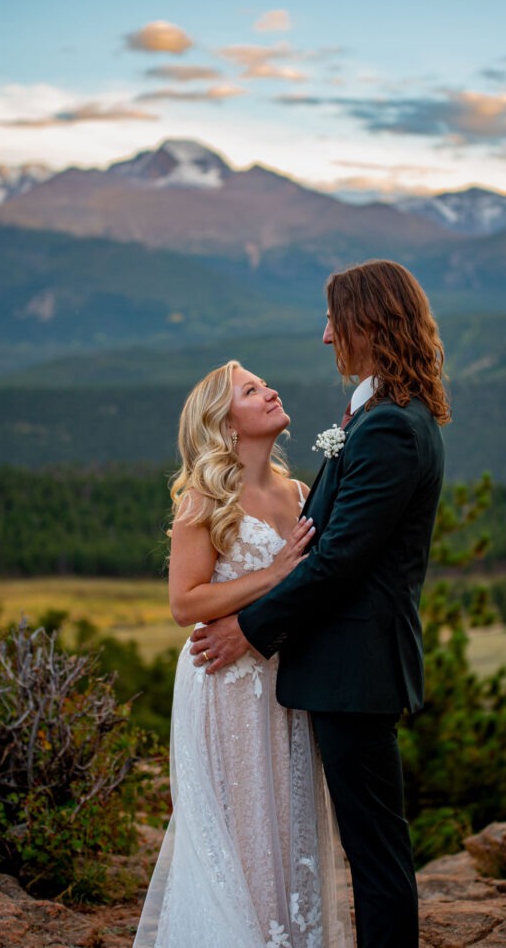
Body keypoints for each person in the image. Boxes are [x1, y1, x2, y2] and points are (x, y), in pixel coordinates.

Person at [190, 259, 450, 948]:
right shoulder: (379, 415)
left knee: (375, 854)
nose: (326, 338)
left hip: (355, 670)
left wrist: (247, 629)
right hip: (346, 668)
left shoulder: (391, 427)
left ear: (367, 323)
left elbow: (337, 562)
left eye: (335, 321)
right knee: (369, 844)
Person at [133, 360, 354, 948]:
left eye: (264, 383)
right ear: (225, 424)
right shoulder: (206, 497)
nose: (270, 390)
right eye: (251, 391)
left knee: (287, 827)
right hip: (226, 682)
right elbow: (185, 603)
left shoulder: (301, 492)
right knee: (245, 831)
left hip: (288, 683)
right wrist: (276, 574)